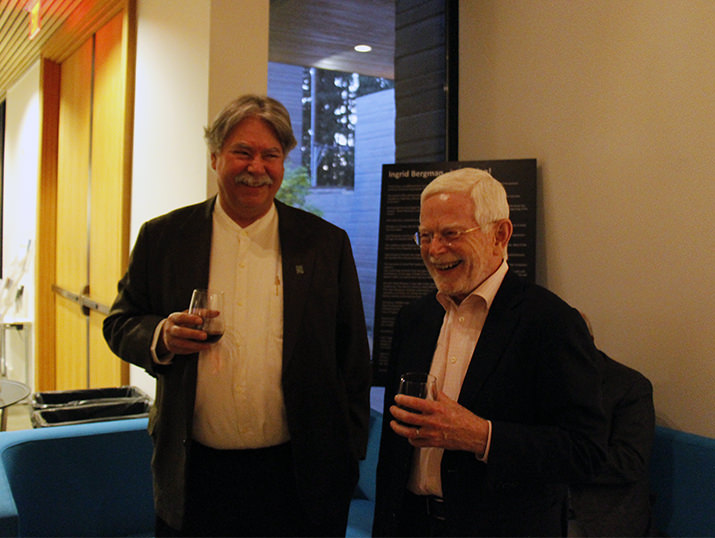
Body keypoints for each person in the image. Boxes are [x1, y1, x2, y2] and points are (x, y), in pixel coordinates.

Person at [103, 94, 371, 537]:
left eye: (271, 155)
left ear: (283, 162)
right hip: (197, 471)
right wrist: (161, 337)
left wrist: (349, 452)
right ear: (215, 157)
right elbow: (119, 322)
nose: (256, 167)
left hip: (300, 474)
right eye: (242, 152)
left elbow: (353, 359)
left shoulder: (324, 244)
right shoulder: (165, 237)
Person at [372, 167, 609, 537]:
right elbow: (393, 451)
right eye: (427, 235)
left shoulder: (550, 323)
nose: (435, 250)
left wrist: (482, 436)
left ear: (500, 234)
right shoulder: (413, 319)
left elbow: (586, 453)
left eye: (451, 234)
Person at [568, 316, 656, 537]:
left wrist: (560, 457)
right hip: (545, 504)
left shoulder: (630, 387)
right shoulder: (544, 383)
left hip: (601, 515)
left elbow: (630, 461)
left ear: (588, 341)